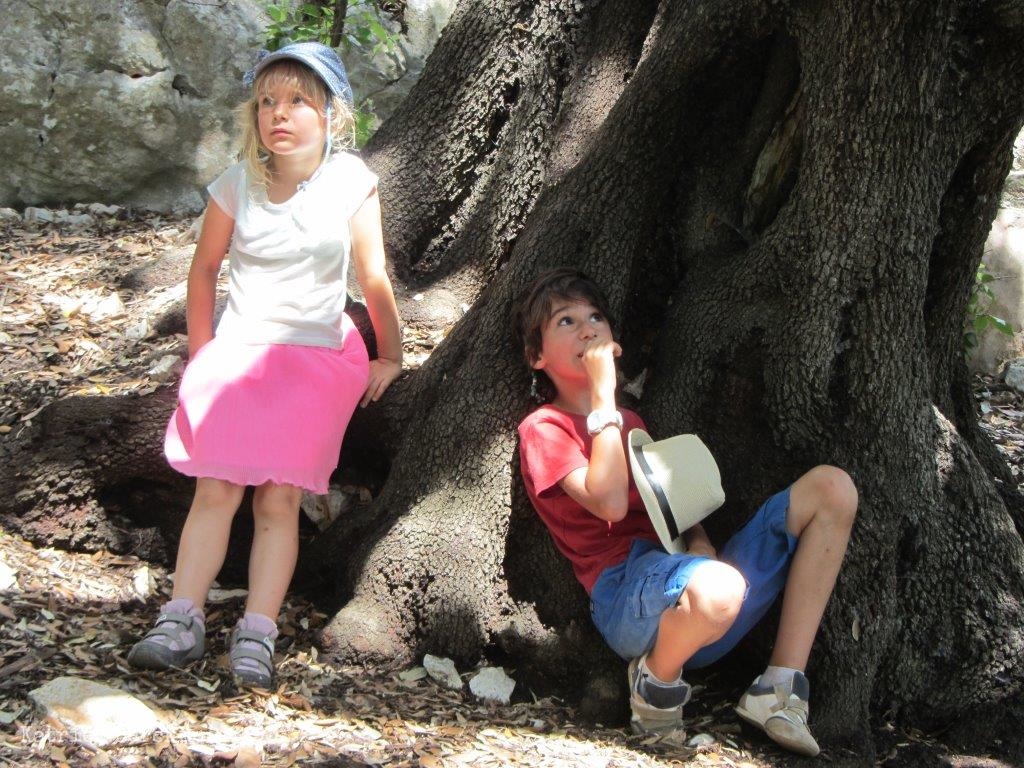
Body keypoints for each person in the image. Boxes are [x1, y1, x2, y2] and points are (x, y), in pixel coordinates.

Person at [128, 42, 402, 688]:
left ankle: (257, 630)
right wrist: (203, 354)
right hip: (241, 350)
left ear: (331, 115)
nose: (279, 115)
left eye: (298, 102)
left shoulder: (351, 182)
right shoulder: (236, 185)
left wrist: (390, 353)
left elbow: (373, 275)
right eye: (267, 103)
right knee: (216, 488)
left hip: (315, 358)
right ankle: (180, 616)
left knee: (279, 499)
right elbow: (202, 271)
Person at [515, 268, 857, 756]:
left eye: (595, 317)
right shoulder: (543, 429)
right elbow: (609, 502)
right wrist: (604, 396)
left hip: (692, 586)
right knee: (719, 588)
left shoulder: (631, 422)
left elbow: (669, 500)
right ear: (537, 356)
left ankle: (778, 688)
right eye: (566, 322)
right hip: (626, 597)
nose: (588, 329)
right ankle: (656, 685)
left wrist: (699, 540)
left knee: (832, 488)